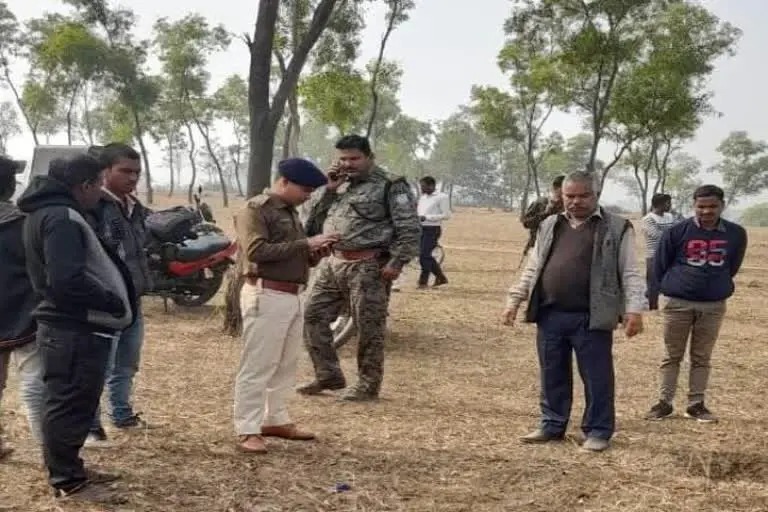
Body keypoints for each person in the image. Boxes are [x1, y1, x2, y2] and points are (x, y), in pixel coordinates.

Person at [18, 154, 136, 504]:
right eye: (98, 184)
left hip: (69, 326)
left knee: (73, 402)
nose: (100, 192)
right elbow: (65, 280)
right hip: (73, 327)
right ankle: (68, 480)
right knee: (69, 404)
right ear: (84, 185)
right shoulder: (62, 218)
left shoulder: (47, 212)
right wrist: (110, 300)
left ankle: (69, 468)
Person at [501, 171, 646, 452]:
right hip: (551, 313)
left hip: (592, 316)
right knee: (551, 372)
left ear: (596, 195)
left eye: (583, 196)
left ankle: (598, 431)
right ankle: (552, 424)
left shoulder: (617, 227)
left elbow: (629, 272)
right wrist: (514, 300)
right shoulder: (550, 224)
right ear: (561, 196)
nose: (576, 202)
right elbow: (534, 266)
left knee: (596, 376)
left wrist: (634, 310)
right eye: (570, 196)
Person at [300, 134, 421, 402]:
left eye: (354, 158)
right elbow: (312, 227)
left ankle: (368, 384)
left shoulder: (391, 185)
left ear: (369, 157)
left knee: (369, 327)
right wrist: (329, 190)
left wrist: (397, 262)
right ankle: (328, 374)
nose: (347, 164)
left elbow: (410, 228)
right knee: (312, 315)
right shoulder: (339, 185)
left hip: (369, 266)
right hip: (333, 263)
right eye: (342, 159)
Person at [233, 158, 338, 454]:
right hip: (266, 293)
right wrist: (306, 244)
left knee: (285, 363)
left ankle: (275, 418)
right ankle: (247, 427)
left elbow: (291, 254)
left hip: (291, 295)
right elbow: (256, 251)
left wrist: (315, 253)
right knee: (258, 364)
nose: (307, 196)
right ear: (284, 182)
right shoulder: (256, 209)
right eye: (304, 189)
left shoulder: (290, 212)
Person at [644, 185, 747, 423]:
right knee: (672, 355)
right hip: (677, 303)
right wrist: (655, 294)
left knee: (702, 357)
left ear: (722, 206)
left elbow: (732, 266)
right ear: (694, 206)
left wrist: (716, 284)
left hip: (713, 305)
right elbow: (660, 264)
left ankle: (696, 404)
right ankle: (664, 403)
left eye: (712, 206)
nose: (707, 211)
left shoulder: (735, 233)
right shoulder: (677, 231)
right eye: (701, 206)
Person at [85, 143, 153, 447]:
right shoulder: (94, 206)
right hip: (106, 303)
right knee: (99, 366)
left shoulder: (133, 206)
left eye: (137, 172)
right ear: (105, 171)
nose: (133, 178)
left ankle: (122, 413)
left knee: (127, 362)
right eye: (125, 171)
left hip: (132, 300)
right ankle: (91, 425)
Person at [0, 156, 44, 458]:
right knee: (35, 386)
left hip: (20, 314)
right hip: (25, 316)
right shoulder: (26, 225)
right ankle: (54, 459)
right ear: (10, 187)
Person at [641, 193, 677, 310]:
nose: (670, 205)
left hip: (670, 255)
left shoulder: (669, 216)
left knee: (670, 282)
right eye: (668, 203)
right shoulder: (648, 219)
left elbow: (676, 232)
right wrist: (672, 235)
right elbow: (657, 236)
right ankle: (653, 308)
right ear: (659, 204)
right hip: (654, 255)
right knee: (653, 283)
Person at [521, 175, 565, 261]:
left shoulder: (571, 208)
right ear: (554, 189)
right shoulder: (541, 203)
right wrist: (546, 213)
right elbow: (526, 223)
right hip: (536, 249)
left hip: (559, 251)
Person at [417, 176, 451, 288]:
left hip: (432, 229)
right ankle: (438, 278)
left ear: (431, 185)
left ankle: (425, 281)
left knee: (424, 255)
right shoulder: (422, 198)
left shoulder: (442, 197)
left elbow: (446, 215)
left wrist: (427, 217)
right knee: (422, 256)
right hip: (420, 228)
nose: (421, 188)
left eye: (423, 186)